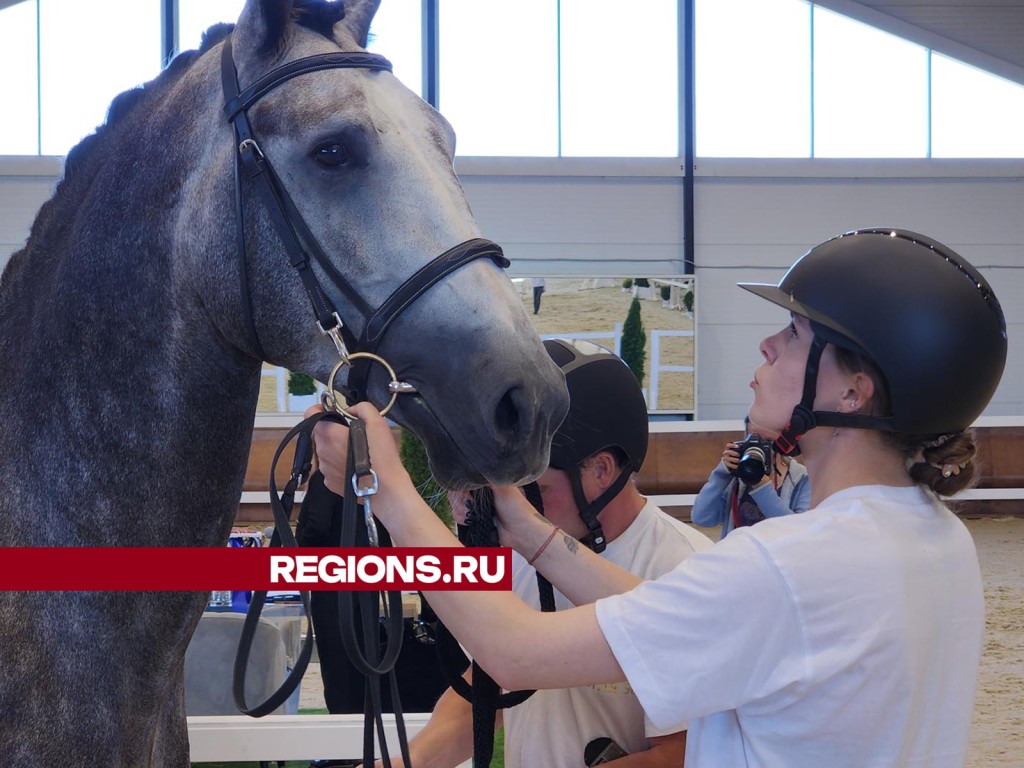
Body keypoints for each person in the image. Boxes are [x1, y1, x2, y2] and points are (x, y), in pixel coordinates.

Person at [314, 229, 1007, 768]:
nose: (765, 344)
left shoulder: (788, 565)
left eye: (795, 336)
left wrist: (386, 489)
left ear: (857, 391)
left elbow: (513, 652)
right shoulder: (935, 539)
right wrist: (527, 531)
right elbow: (664, 614)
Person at [383, 338, 713, 768]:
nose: (517, 508)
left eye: (536, 491)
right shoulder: (524, 550)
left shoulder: (680, 568)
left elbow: (681, 754)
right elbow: (484, 687)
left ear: (601, 471)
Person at [690, 424, 810, 539]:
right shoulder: (737, 477)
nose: (758, 446)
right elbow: (702, 518)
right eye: (752, 438)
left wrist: (762, 488)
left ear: (781, 443)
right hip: (739, 557)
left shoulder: (802, 479)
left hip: (778, 558)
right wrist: (721, 474)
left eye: (767, 441)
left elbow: (798, 533)